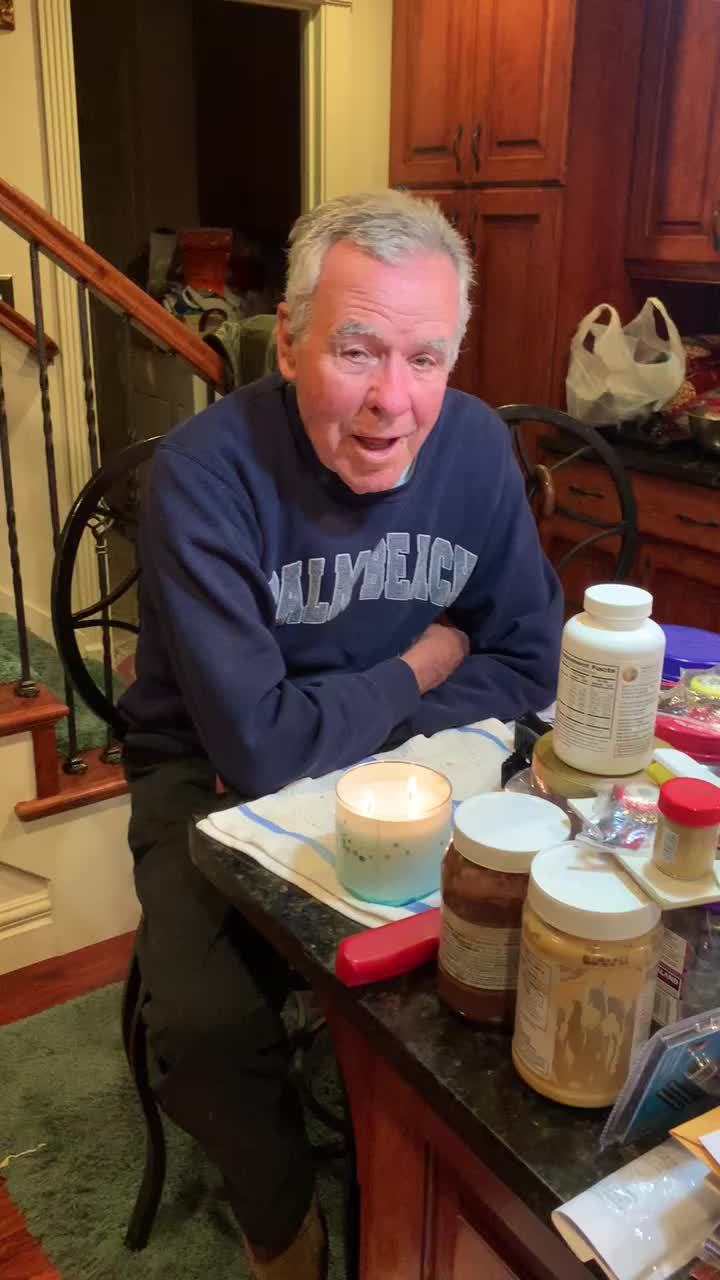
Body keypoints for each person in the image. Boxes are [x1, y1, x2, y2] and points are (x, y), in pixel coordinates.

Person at [118, 189, 563, 1278]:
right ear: (289, 341)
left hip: (410, 762)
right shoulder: (204, 475)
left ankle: (440, 1215)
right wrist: (424, 662)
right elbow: (258, 749)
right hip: (208, 778)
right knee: (206, 1027)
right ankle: (287, 1232)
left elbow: (530, 659)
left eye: (426, 357)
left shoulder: (476, 447)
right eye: (357, 350)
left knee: (530, 942)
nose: (392, 402)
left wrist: (353, 722)